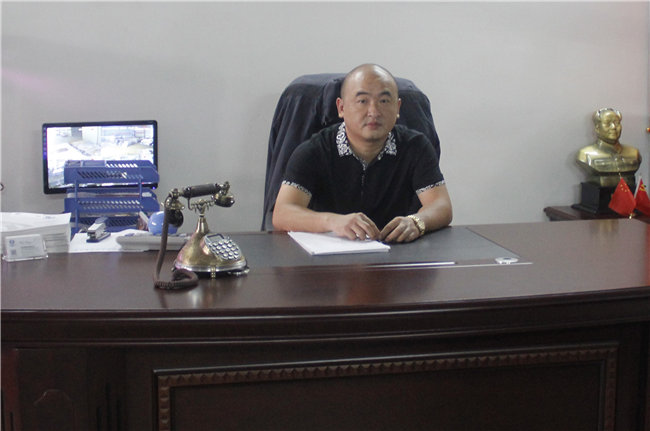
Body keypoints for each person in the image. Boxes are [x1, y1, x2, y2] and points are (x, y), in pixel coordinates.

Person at [272, 64, 452, 243]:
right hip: (331, 254)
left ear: (398, 108)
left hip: (396, 252)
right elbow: (283, 213)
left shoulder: (416, 147)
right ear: (341, 108)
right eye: (362, 101)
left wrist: (417, 222)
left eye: (384, 101)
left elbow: (441, 205)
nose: (374, 112)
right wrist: (333, 221)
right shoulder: (314, 151)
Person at [576, 108, 641, 189]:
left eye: (617, 123)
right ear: (597, 128)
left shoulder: (634, 153)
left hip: (628, 193)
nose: (613, 127)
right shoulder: (585, 154)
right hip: (601, 193)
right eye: (607, 123)